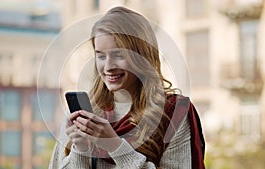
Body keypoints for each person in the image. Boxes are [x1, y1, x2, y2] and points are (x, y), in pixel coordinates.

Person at [49, 6, 205, 169]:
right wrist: (81, 149)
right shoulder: (83, 115)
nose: (108, 67)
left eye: (119, 55)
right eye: (101, 55)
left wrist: (115, 146)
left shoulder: (173, 113)